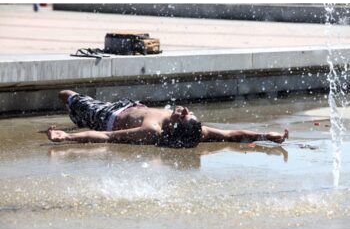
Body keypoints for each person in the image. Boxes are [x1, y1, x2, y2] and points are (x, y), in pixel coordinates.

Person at [47, 90, 289, 148]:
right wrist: (266, 135)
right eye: (188, 113)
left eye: (183, 116)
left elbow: (106, 136)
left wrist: (68, 137)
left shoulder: (150, 131)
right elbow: (230, 135)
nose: (185, 111)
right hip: (131, 106)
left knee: (67, 95)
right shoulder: (197, 130)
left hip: (106, 116)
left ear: (174, 127)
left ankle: (73, 118)